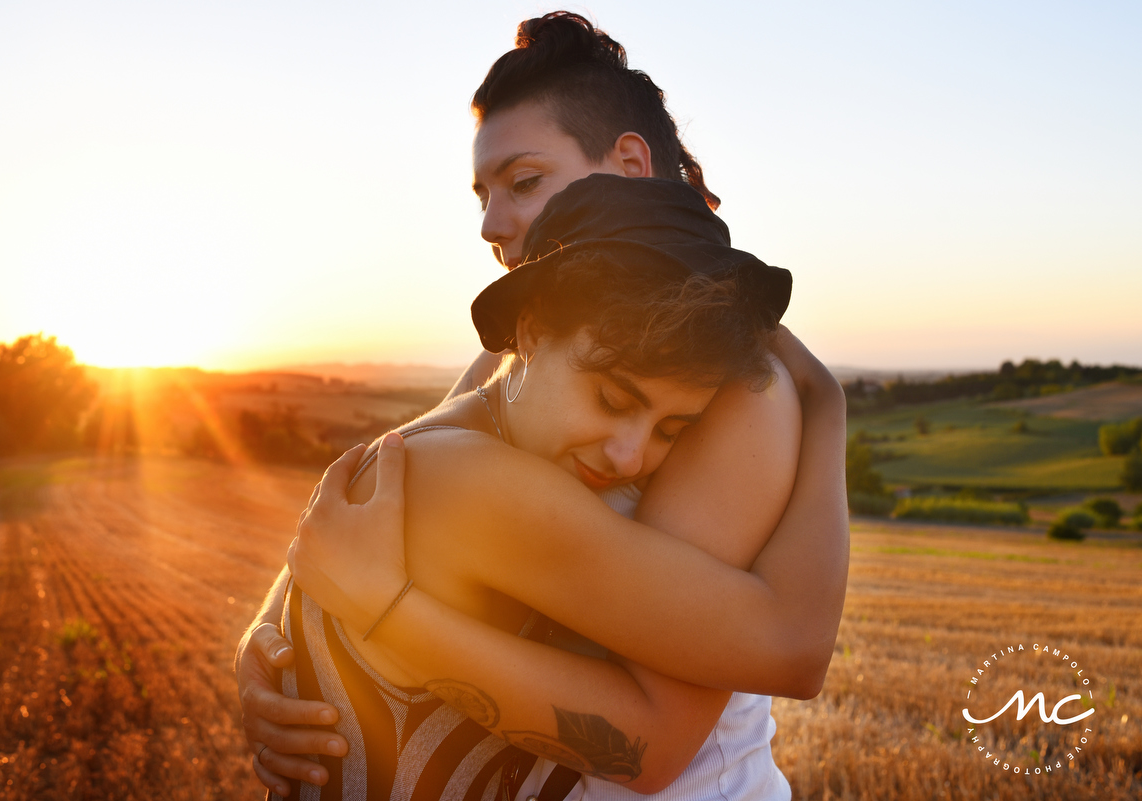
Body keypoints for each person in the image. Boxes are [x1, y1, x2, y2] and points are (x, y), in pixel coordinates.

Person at [235, 11, 848, 798]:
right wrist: (272, 649)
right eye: (483, 193)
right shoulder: (523, 355)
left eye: (524, 182)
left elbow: (777, 652)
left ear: (630, 164)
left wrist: (386, 615)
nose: (493, 224)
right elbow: (381, 481)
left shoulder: (733, 386)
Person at [283, 172, 794, 801]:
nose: (631, 455)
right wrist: (823, 403)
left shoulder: (445, 442)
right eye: (611, 398)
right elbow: (657, 745)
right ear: (528, 333)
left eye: (673, 428)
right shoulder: (479, 485)